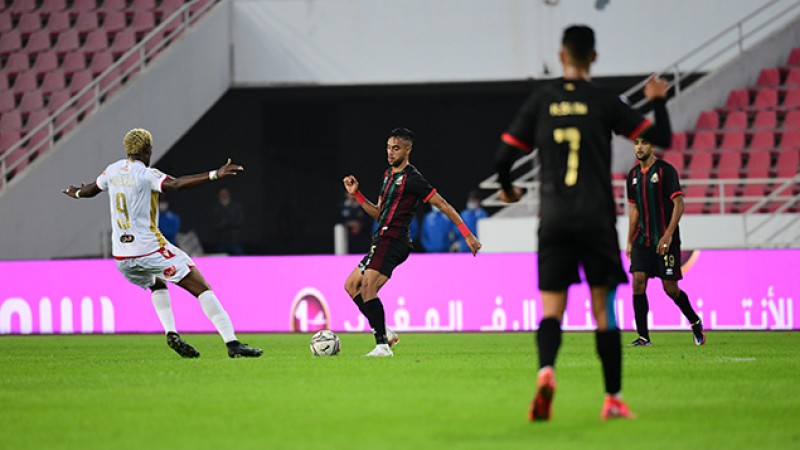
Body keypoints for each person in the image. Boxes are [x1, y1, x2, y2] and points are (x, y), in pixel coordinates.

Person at [495, 25, 672, 421]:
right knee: (603, 310)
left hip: (554, 218)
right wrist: (657, 100)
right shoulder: (604, 101)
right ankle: (612, 399)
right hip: (595, 218)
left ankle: (546, 371)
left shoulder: (542, 100)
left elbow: (502, 158)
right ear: (593, 57)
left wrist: (508, 190)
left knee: (552, 310)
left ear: (561, 56)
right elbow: (661, 136)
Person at [61, 128, 262, 359]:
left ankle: (171, 332)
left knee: (157, 284)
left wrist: (76, 193)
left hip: (122, 257)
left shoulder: (112, 170)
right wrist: (215, 174)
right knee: (202, 288)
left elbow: (90, 190)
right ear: (147, 150)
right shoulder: (147, 174)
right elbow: (176, 185)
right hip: (149, 249)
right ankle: (232, 343)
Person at [342, 127, 482, 356]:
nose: (390, 152)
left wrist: (467, 234)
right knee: (351, 286)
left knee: (368, 286)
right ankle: (384, 331)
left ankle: (382, 345)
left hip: (394, 239)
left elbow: (443, 204)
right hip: (381, 238)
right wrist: (357, 194)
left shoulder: (413, 179)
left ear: (408, 150)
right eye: (388, 147)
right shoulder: (387, 176)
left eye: (396, 148)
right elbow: (379, 213)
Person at [625, 137, 705, 347]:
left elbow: (679, 204)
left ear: (652, 145)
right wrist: (629, 241)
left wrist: (669, 234)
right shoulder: (632, 176)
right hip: (642, 239)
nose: (639, 147)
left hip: (665, 240)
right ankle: (643, 337)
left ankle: (695, 321)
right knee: (638, 282)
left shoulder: (665, 171)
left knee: (670, 288)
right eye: (636, 143)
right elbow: (634, 209)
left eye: (644, 142)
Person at [212, 186, 245, 255]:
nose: (224, 196)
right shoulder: (216, 208)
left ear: (229, 194)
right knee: (220, 259)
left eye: (225, 193)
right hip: (221, 240)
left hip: (235, 240)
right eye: (222, 194)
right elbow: (215, 224)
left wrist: (226, 222)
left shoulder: (236, 207)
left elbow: (239, 221)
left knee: (239, 259)